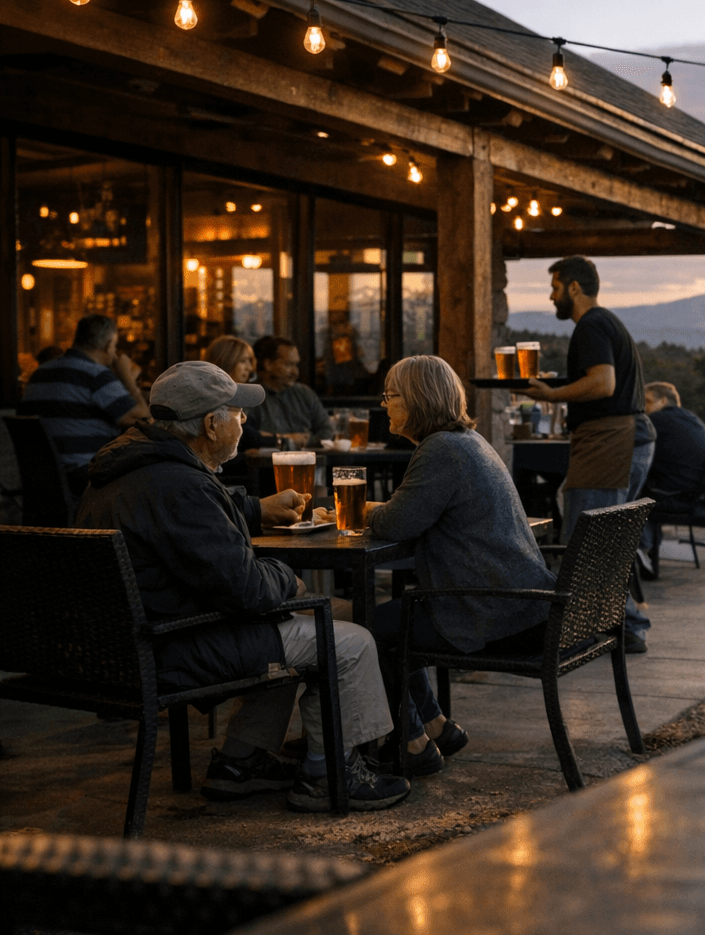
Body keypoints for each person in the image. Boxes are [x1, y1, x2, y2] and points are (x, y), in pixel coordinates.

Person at [75, 360, 409, 812]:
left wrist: (255, 509)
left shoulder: (132, 468)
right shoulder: (181, 487)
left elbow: (187, 521)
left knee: (292, 627)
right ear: (212, 425)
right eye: (237, 413)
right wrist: (286, 577)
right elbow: (247, 590)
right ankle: (329, 774)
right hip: (172, 647)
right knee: (346, 638)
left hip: (126, 644)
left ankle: (239, 762)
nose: (243, 421)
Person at [323, 355, 556, 776]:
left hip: (489, 611)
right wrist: (382, 509)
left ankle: (412, 743)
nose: (384, 405)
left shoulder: (441, 450)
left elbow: (399, 522)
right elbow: (410, 515)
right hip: (516, 602)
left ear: (417, 400)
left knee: (368, 630)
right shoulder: (467, 441)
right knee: (395, 619)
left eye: (391, 396)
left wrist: (359, 511)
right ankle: (435, 725)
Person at [526, 256, 655, 653]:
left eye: (555, 287)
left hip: (609, 440)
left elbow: (602, 383)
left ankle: (612, 629)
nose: (551, 296)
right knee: (601, 541)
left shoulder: (592, 325)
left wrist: (552, 395)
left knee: (587, 542)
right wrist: (561, 385)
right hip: (622, 438)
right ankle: (619, 626)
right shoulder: (606, 323)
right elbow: (599, 381)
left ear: (574, 288)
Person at [20, 314, 151, 494]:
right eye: (114, 346)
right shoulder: (95, 374)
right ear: (107, 345)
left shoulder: (40, 373)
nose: (114, 353)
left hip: (42, 479)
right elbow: (143, 419)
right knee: (154, 475)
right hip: (84, 475)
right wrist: (126, 376)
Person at [638, 381, 705, 579]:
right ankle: (646, 546)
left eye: (647, 402)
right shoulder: (691, 417)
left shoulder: (657, 421)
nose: (643, 408)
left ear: (663, 400)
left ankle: (644, 550)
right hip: (698, 494)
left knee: (630, 492)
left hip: (679, 497)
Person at [250, 335, 334, 446]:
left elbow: (327, 431)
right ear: (268, 364)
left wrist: (305, 440)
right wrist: (290, 439)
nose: (295, 372)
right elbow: (248, 437)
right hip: (268, 462)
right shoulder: (250, 396)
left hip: (308, 461)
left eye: (296, 365)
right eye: (288, 364)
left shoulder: (304, 393)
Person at [204, 336, 264, 464]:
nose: (249, 368)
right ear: (225, 361)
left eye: (250, 361)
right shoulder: (212, 396)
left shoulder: (244, 395)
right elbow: (248, 436)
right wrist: (280, 439)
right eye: (243, 361)